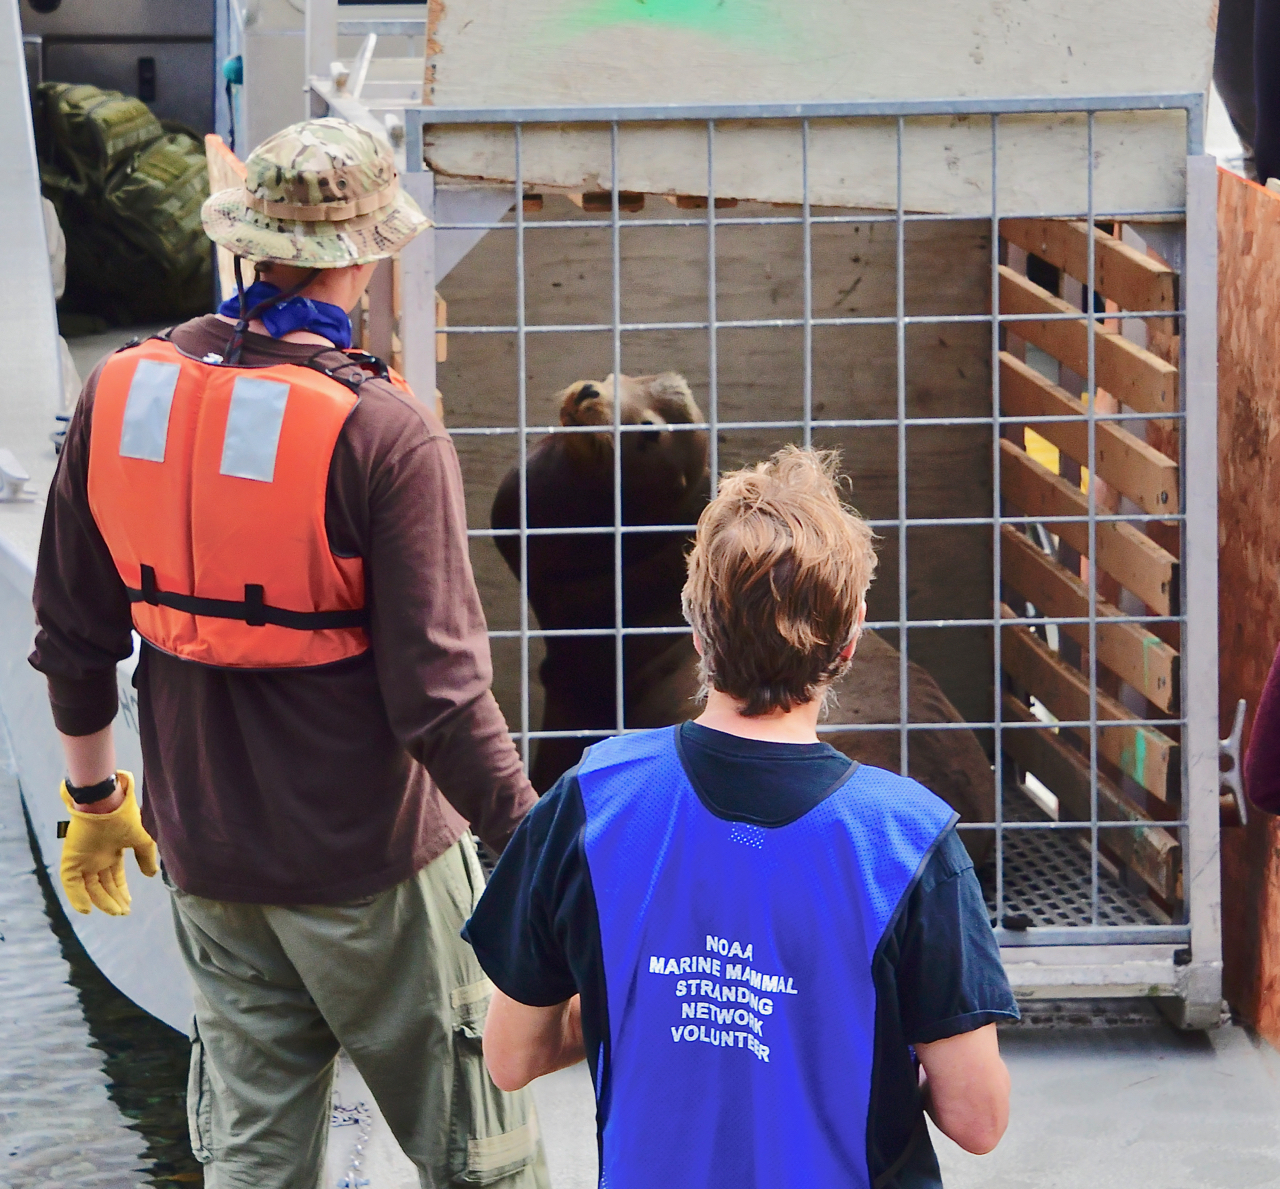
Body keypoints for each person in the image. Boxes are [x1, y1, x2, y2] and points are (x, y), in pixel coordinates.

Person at [30, 117, 548, 1188]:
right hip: (374, 870)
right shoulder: (382, 432)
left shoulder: (121, 392)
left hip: (208, 855)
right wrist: (537, 843)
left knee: (254, 1163)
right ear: (366, 253)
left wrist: (93, 801)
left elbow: (73, 633)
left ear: (241, 240)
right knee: (480, 1161)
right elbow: (440, 701)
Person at [463, 446, 1017, 1188]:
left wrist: (640, 1005)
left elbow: (510, 1057)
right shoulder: (910, 840)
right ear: (850, 642)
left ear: (697, 627)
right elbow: (977, 1120)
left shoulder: (591, 800)